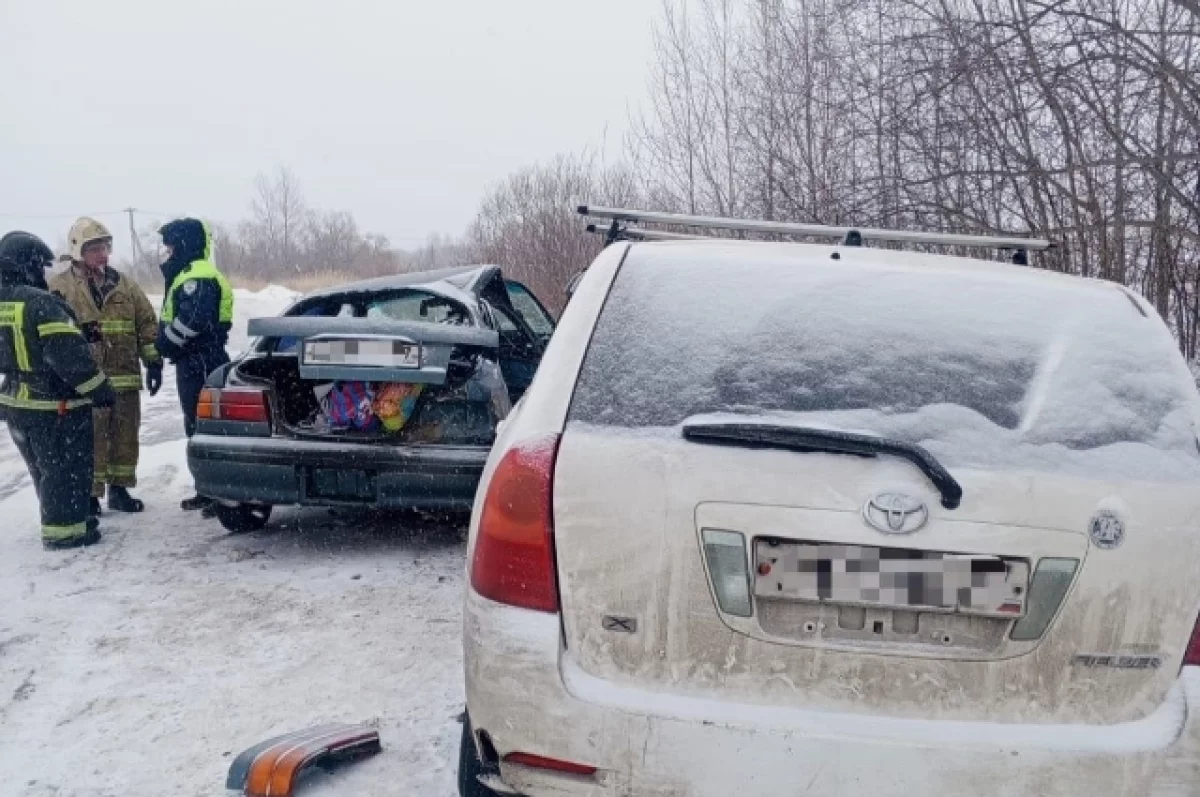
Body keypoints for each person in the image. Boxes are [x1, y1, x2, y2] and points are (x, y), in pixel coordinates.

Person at [0, 231, 116, 550]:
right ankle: (66, 532)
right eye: (40, 266)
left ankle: (66, 518)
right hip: (55, 406)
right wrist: (101, 390)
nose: (43, 273)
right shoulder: (40, 303)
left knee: (44, 470)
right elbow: (68, 359)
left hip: (16, 403)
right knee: (66, 470)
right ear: (28, 265)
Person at [49, 217, 163, 515]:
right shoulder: (59, 287)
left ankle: (120, 489)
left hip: (124, 377)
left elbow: (146, 323)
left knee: (125, 435)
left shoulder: (124, 284)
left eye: (105, 247)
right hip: (86, 381)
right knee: (91, 439)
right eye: (95, 248)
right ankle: (89, 494)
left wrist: (153, 362)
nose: (103, 254)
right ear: (77, 250)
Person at [156, 218, 233, 512]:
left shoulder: (197, 277)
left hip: (201, 360)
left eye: (172, 246)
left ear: (185, 244)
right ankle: (207, 488)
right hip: (193, 360)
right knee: (196, 425)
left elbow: (193, 320)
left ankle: (221, 491)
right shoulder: (190, 273)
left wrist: (165, 343)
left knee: (208, 427)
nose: (168, 253)